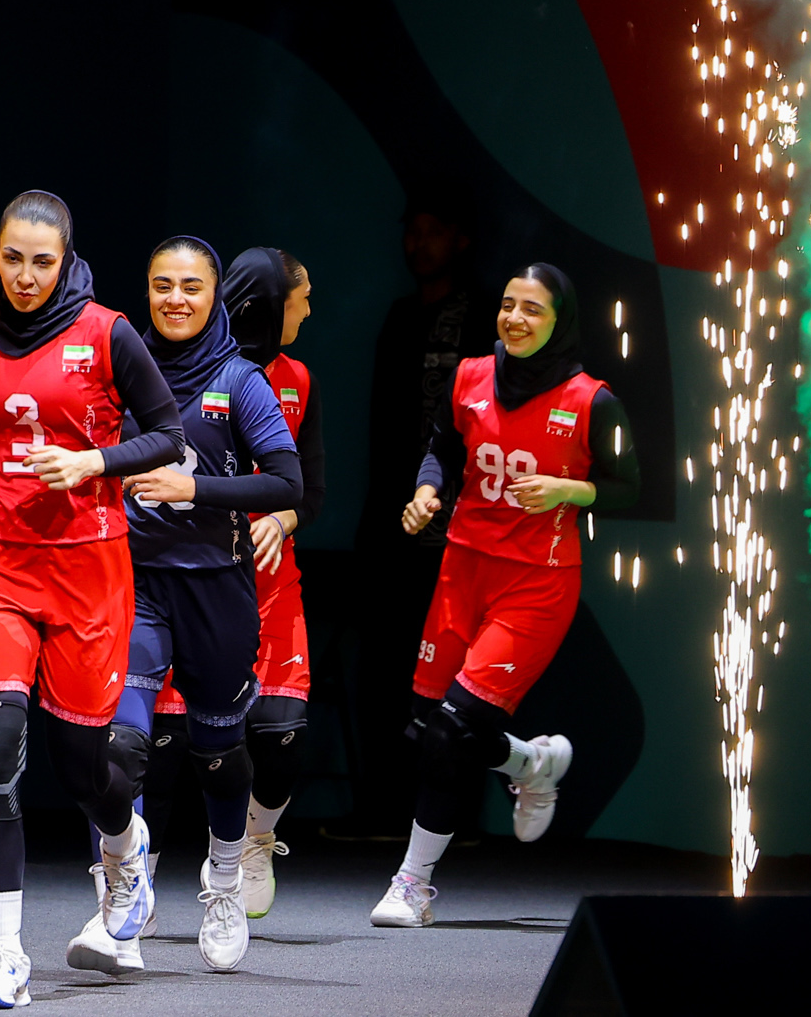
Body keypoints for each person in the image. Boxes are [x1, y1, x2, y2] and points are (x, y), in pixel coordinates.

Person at [0, 191, 187, 1008]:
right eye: (12, 257)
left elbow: (168, 435)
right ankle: (5, 956)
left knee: (81, 767)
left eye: (42, 260)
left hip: (87, 568)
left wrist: (94, 462)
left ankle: (125, 847)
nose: (26, 275)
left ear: (67, 258)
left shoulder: (108, 332)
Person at [371, 263, 638, 928]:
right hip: (462, 569)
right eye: (508, 305)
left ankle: (412, 884)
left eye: (533, 309)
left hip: (536, 581)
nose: (515, 319)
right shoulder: (469, 377)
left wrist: (569, 489)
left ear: (560, 321)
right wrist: (427, 491)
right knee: (425, 726)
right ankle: (532, 762)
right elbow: (441, 448)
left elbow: (633, 486)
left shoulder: (591, 400)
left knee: (452, 730)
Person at [66, 237, 301, 976]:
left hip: (217, 590)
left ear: (213, 295)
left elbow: (287, 483)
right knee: (120, 748)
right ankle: (122, 897)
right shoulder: (120, 370)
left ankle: (224, 883)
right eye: (162, 284)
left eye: (191, 286)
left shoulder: (240, 379)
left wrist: (192, 488)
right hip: (133, 585)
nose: (175, 298)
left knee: (219, 754)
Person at [136, 247, 324, 921]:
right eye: (302, 298)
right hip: (173, 576)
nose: (309, 311)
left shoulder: (290, 378)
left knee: (275, 736)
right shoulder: (153, 367)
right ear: (268, 305)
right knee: (152, 746)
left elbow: (304, 488)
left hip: (259, 580)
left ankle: (251, 845)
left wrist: (281, 517)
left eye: (191, 286)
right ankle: (133, 879)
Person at [350, 195, 495, 836]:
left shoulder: (483, 319)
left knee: (459, 677)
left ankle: (452, 820)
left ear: (462, 239)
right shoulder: (401, 317)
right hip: (394, 527)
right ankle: (381, 811)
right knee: (385, 669)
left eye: (434, 230)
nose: (419, 242)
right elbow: (383, 432)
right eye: (414, 230)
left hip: (462, 534)